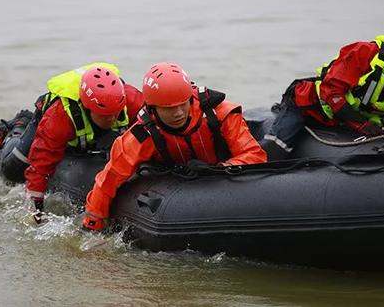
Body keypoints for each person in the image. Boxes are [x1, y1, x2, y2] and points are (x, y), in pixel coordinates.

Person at [81, 62, 267, 231]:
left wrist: (218, 170)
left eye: (182, 104)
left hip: (224, 175)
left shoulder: (219, 113)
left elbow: (255, 155)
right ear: (153, 109)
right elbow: (109, 178)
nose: (178, 113)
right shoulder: (143, 134)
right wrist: (93, 223)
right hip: (172, 182)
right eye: (169, 108)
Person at [0, 62, 144, 216]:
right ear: (87, 107)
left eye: (115, 113)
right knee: (13, 169)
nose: (112, 119)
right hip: (45, 121)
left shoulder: (131, 100)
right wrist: (35, 207)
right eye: (105, 115)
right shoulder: (60, 116)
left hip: (89, 135)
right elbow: (41, 163)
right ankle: (21, 122)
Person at [261, 30, 384, 160]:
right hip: (308, 107)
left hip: (346, 124)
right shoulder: (364, 52)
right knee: (277, 148)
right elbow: (331, 92)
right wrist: (362, 124)